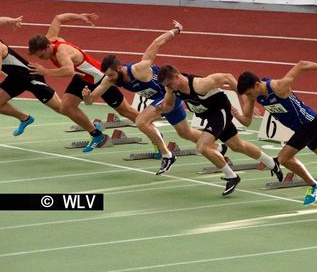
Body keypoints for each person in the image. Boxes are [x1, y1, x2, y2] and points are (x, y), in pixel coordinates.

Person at [82, 20, 226, 174]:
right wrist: (86, 97)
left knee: (141, 121)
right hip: (163, 102)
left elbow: (156, 43)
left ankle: (167, 155)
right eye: (107, 76)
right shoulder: (109, 80)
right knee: (186, 133)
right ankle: (219, 147)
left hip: (170, 94)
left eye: (111, 75)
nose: (109, 78)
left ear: (119, 68)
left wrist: (177, 29)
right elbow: (90, 101)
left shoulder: (139, 69)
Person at [235, 61, 317, 205]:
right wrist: (236, 114)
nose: (249, 97)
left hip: (309, 123)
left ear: (256, 85)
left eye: (249, 93)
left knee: (283, 158)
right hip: (299, 128)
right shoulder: (253, 95)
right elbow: (247, 121)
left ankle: (313, 185)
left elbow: (301, 65)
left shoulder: (278, 87)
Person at [157, 64, 282, 196]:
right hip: (211, 116)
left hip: (220, 111)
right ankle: (272, 162)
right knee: (237, 146)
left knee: (202, 146)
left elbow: (227, 77)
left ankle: (231, 176)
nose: (168, 87)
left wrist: (245, 101)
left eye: (170, 84)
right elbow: (169, 105)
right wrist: (160, 109)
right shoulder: (171, 89)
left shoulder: (200, 84)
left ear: (177, 77)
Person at [27, 13, 138, 153]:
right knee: (66, 107)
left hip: (100, 79)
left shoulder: (62, 52)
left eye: (42, 55)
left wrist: (45, 71)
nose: (42, 59)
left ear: (48, 47)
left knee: (126, 111)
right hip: (82, 78)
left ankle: (151, 126)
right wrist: (80, 16)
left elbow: (68, 70)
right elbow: (58, 18)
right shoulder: (49, 39)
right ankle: (97, 136)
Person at [0, 16, 61, 136]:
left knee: (60, 108)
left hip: (30, 77)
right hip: (15, 78)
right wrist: (11, 21)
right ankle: (25, 119)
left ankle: (89, 125)